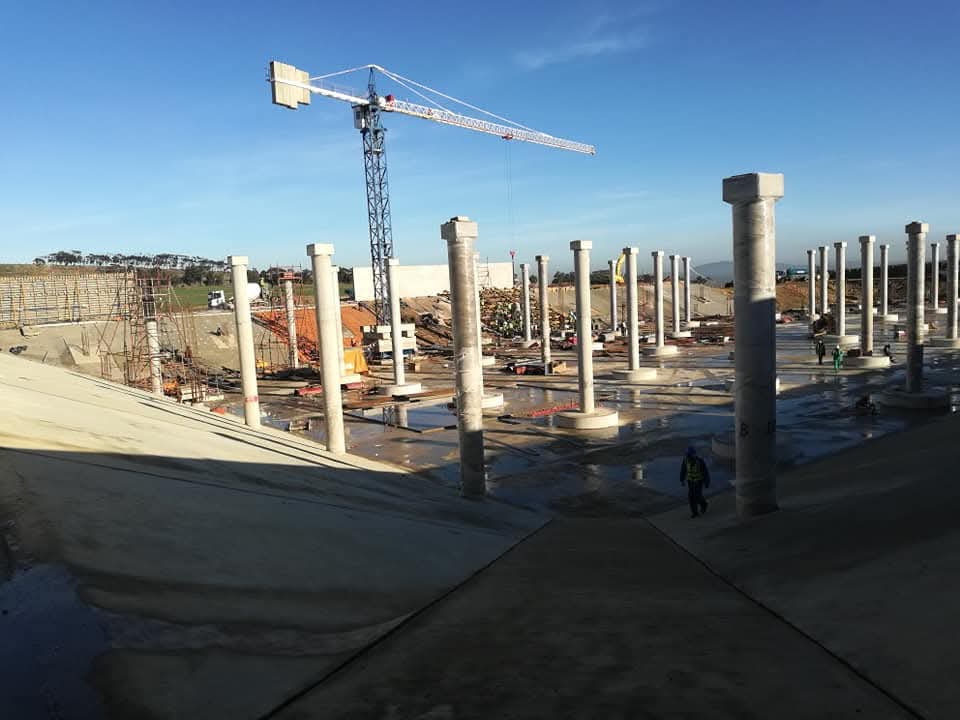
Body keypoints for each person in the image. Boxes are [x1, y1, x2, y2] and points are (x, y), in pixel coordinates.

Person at [680, 446, 711, 518]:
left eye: (690, 454)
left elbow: (705, 472)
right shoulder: (685, 460)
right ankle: (695, 512)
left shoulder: (699, 461)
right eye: (688, 454)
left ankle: (704, 504)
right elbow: (683, 470)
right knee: (691, 497)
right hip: (690, 481)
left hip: (698, 482)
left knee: (697, 496)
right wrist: (682, 480)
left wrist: (707, 482)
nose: (688, 456)